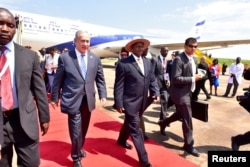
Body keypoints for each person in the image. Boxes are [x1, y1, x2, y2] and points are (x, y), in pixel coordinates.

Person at [0, 7, 50, 166]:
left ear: (15, 29)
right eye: (0, 23)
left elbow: (39, 89)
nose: (5, 28)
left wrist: (44, 117)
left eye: (10, 25)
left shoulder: (29, 56)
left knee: (31, 164)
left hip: (23, 120)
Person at [50, 30, 107, 167]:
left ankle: (79, 147)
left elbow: (100, 79)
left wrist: (103, 94)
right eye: (82, 40)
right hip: (72, 98)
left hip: (88, 99)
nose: (85, 44)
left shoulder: (95, 58)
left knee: (84, 127)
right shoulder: (65, 57)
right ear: (75, 41)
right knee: (75, 129)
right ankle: (76, 157)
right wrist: (54, 97)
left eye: (87, 41)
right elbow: (58, 80)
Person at [113, 38, 160, 167]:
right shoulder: (124, 64)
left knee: (129, 122)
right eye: (138, 47)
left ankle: (121, 140)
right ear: (132, 49)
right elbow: (118, 85)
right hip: (129, 102)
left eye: (142, 47)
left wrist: (155, 92)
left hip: (143, 101)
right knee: (136, 130)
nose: (140, 49)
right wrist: (118, 103)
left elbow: (152, 79)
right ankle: (144, 161)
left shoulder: (147, 63)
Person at [158, 37, 202, 157]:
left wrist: (200, 76)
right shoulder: (178, 59)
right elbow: (176, 79)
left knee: (180, 114)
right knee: (187, 119)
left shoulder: (194, 59)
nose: (193, 49)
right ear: (185, 46)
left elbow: (194, 74)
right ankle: (188, 145)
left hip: (189, 92)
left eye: (195, 47)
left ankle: (163, 123)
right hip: (180, 94)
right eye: (191, 46)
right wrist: (193, 79)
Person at [151, 47, 170, 126]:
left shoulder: (167, 61)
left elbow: (166, 72)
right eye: (164, 51)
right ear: (161, 51)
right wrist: (153, 85)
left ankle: (163, 120)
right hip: (156, 84)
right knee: (150, 101)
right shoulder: (155, 59)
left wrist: (168, 80)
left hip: (164, 84)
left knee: (165, 100)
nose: (166, 52)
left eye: (167, 51)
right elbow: (152, 73)